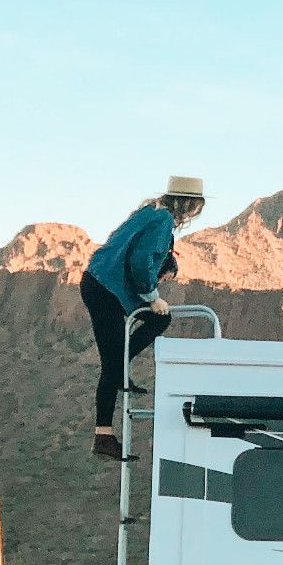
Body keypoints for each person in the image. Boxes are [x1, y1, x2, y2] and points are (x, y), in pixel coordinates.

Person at [81, 176, 206, 460]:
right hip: (105, 289)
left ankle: (121, 369)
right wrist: (152, 296)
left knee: (143, 334)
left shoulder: (149, 214)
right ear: (190, 205)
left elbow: (140, 252)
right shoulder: (162, 222)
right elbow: (140, 261)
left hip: (102, 283)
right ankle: (103, 435)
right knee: (119, 354)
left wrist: (166, 268)